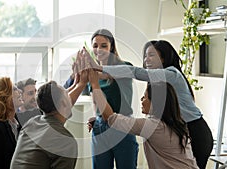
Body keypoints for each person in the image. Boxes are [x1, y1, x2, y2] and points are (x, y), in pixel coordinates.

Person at [84, 40, 213, 169]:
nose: (146, 60)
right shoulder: (157, 84)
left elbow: (135, 72)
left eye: (151, 55)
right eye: (145, 56)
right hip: (180, 129)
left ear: (163, 58)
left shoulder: (171, 74)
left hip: (195, 130)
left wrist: (98, 67)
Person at [88, 68, 199, 168]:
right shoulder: (175, 122)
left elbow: (110, 118)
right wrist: (99, 120)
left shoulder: (153, 126)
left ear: (156, 102)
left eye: (145, 96)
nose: (142, 99)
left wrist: (95, 85)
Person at [10, 69, 88, 169]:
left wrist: (79, 84)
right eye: (67, 96)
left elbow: (56, 101)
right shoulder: (65, 141)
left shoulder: (31, 123)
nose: (70, 99)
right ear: (63, 103)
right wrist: (81, 84)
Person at [85, 29, 139, 169]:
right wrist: (95, 117)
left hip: (122, 126)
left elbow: (109, 74)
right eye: (95, 46)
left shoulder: (125, 67)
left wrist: (96, 71)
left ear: (112, 47)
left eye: (104, 45)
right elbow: (96, 104)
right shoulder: (93, 76)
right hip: (100, 128)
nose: (99, 49)